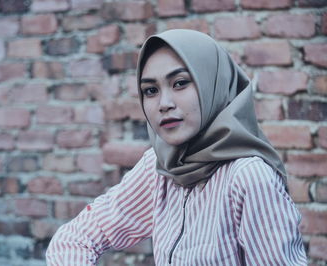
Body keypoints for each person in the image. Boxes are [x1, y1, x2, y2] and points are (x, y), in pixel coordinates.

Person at [46, 29, 307, 265]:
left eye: (180, 83)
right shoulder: (160, 166)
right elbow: (76, 238)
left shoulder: (249, 178)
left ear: (212, 85)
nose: (164, 103)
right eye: (150, 90)